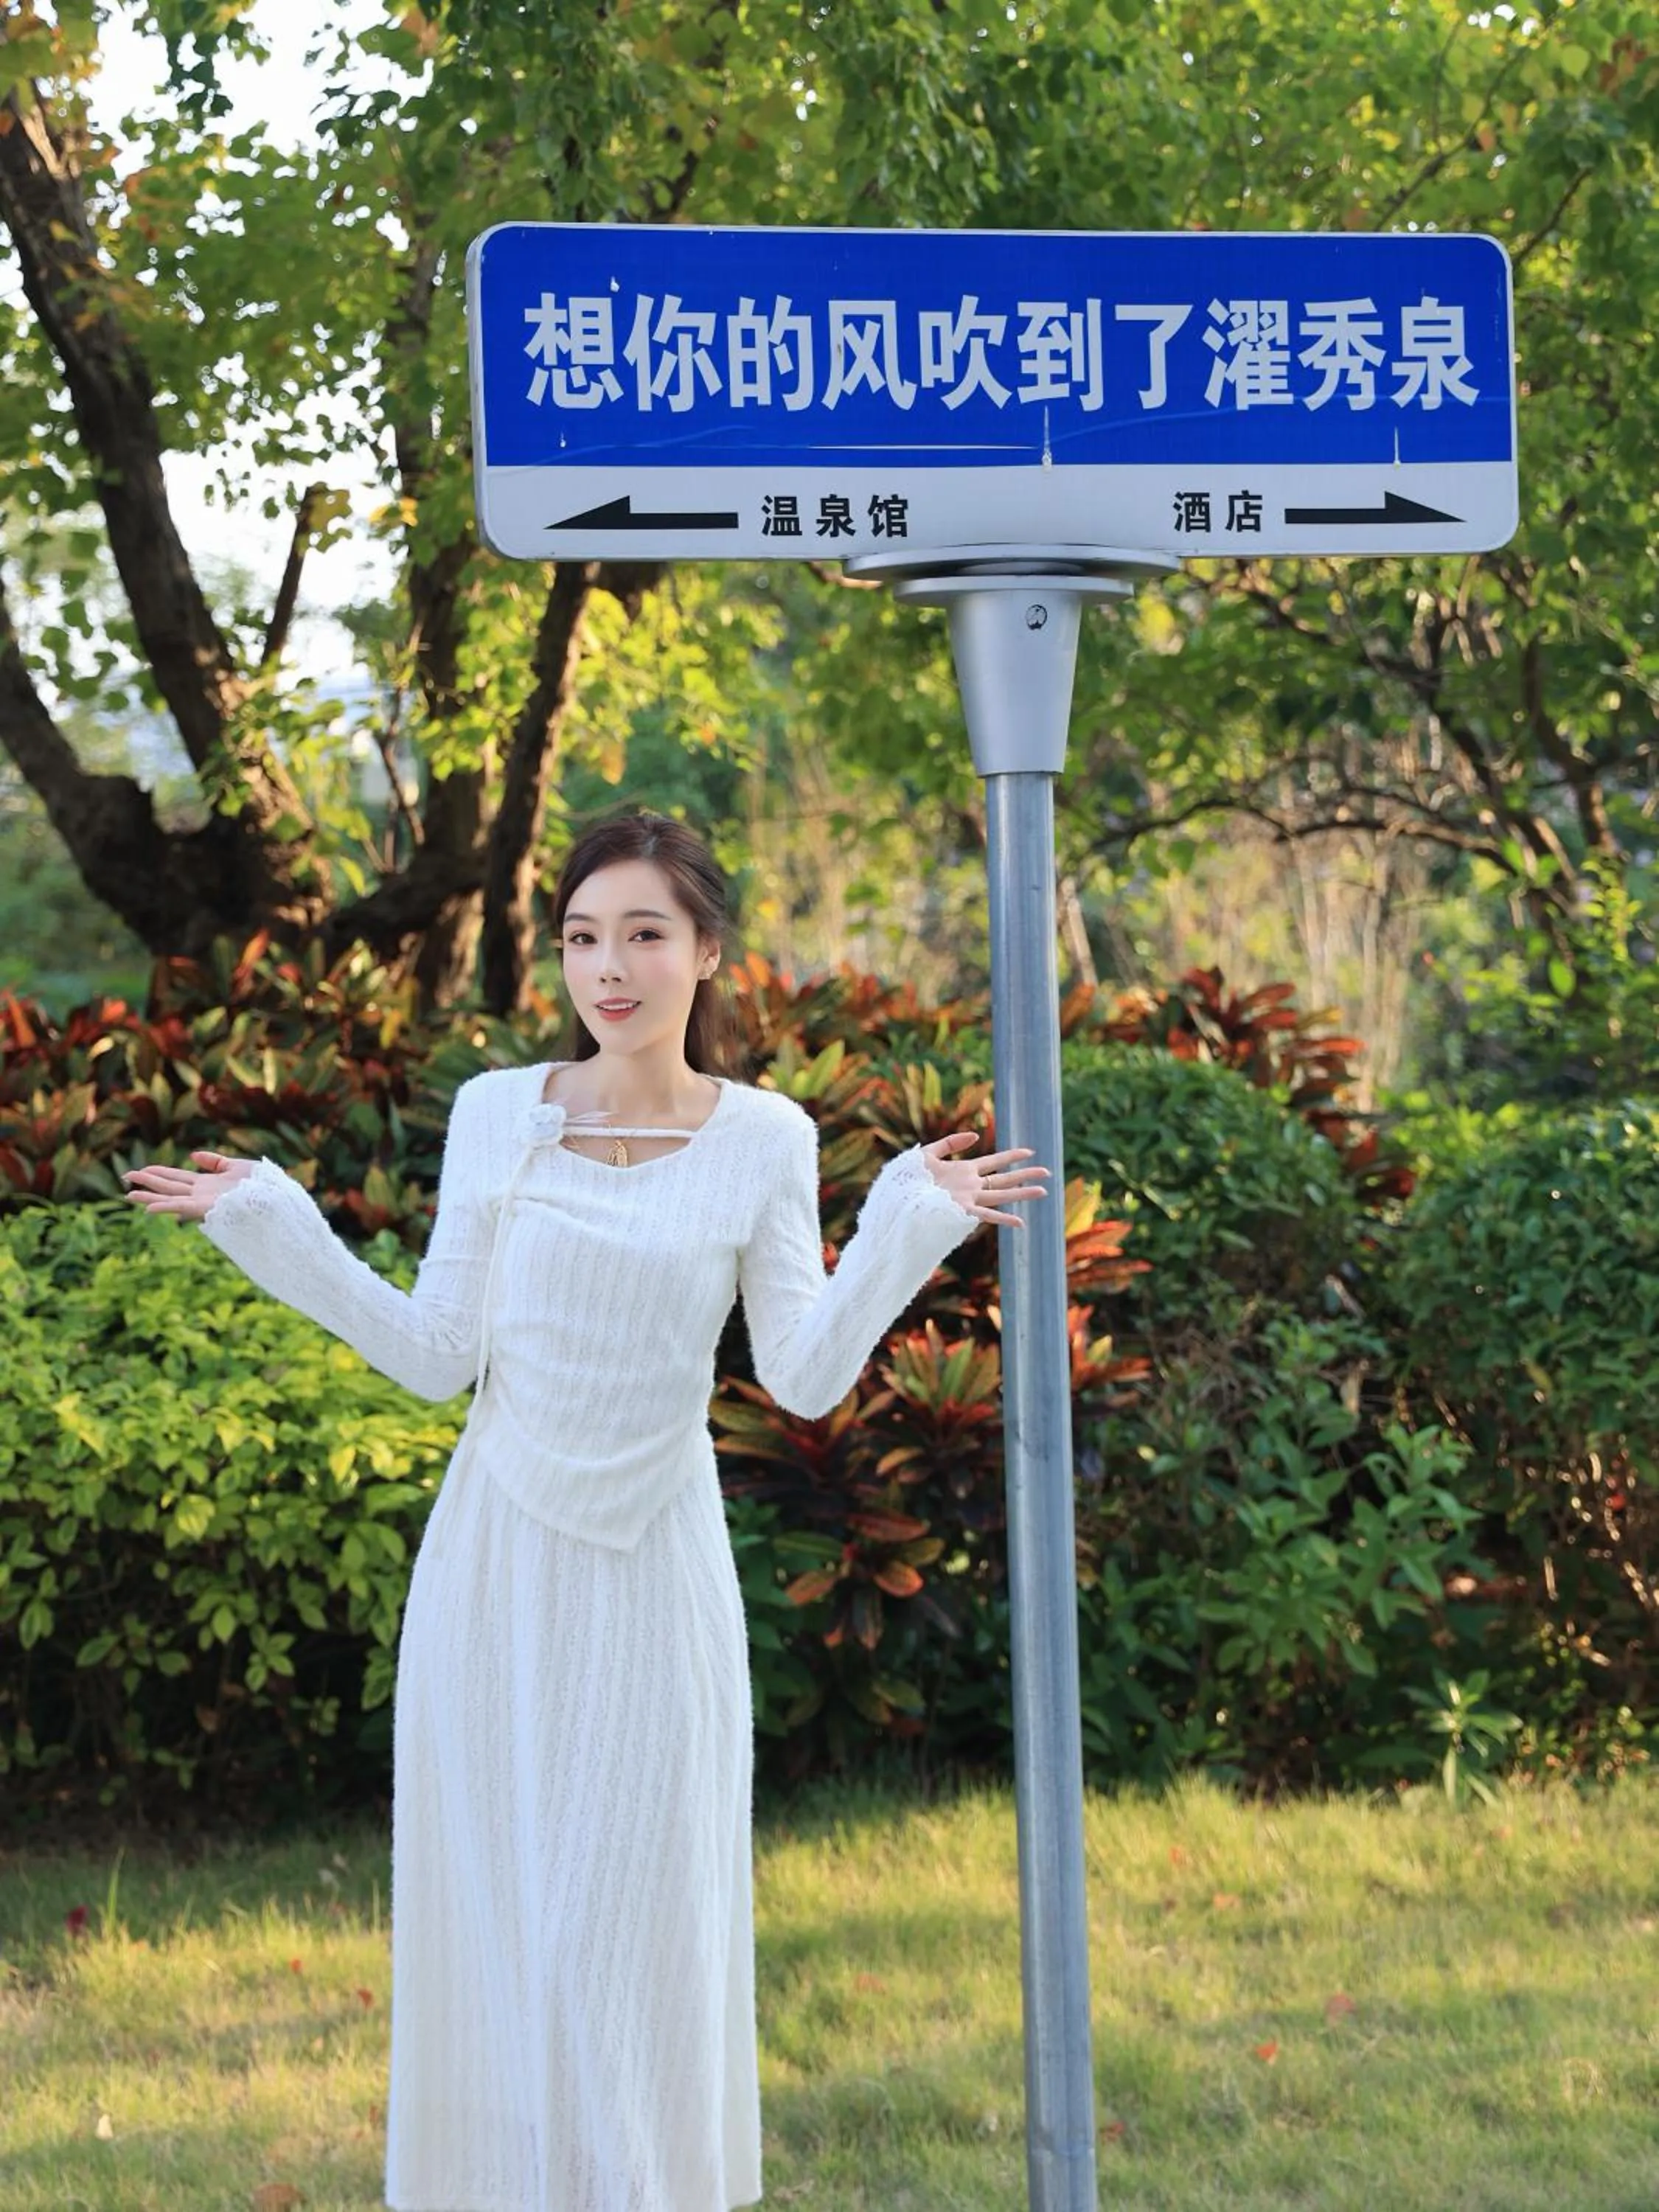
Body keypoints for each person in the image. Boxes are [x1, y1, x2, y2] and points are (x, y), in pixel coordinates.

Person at [120, 807, 1049, 2212]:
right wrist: (275, 1225)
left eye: (643, 934)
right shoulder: (500, 1112)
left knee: (635, 1913)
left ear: (707, 952)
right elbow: (436, 1354)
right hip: (496, 1562)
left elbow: (802, 1375)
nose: (608, 967)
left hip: (655, 1569)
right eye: (581, 936)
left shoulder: (765, 1138)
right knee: (502, 1912)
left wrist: (912, 1220)